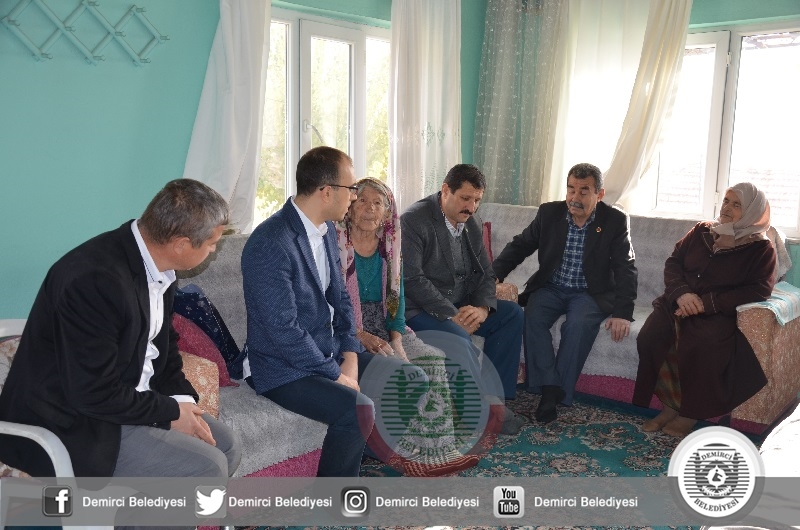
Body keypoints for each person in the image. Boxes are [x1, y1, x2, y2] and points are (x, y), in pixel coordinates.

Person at [0, 179, 241, 481]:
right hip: (76, 421)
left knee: (228, 446)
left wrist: (181, 402)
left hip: (127, 402)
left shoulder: (159, 267)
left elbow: (164, 347)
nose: (214, 250)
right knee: (206, 466)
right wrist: (168, 412)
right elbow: (92, 393)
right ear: (181, 244)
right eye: (211, 244)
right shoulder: (93, 281)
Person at [240, 146, 425, 477]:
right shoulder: (270, 242)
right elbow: (283, 330)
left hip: (327, 350)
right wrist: (336, 375)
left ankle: (363, 451)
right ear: (326, 192)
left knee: (411, 378)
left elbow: (341, 300)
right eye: (351, 189)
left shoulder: (325, 231)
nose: (354, 197)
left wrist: (350, 356)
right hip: (283, 367)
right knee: (358, 409)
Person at [337, 177, 481, 474]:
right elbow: (332, 305)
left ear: (386, 213)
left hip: (387, 325)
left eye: (377, 203)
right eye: (362, 200)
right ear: (349, 206)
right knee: (405, 373)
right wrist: (359, 334)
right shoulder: (336, 245)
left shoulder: (390, 246)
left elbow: (397, 299)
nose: (369, 208)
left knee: (433, 359)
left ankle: (441, 449)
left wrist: (398, 340)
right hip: (350, 328)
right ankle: (411, 455)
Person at [492, 162, 637, 424]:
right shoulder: (549, 213)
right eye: (571, 189)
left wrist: (623, 312)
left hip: (590, 293)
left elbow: (625, 267)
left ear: (599, 194)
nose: (574, 197)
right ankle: (550, 387)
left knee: (578, 324)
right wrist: (494, 275)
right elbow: (521, 245)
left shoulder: (614, 221)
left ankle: (555, 393)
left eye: (584, 191)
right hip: (551, 287)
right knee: (532, 317)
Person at [633, 182, 776, 437]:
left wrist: (708, 303)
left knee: (701, 344)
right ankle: (669, 407)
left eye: (736, 204)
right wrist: (682, 294)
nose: (727, 208)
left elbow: (759, 289)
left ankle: (690, 413)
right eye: (726, 201)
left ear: (752, 211)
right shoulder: (702, 231)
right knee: (650, 337)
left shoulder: (760, 249)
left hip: (716, 313)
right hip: (676, 302)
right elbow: (673, 262)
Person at [401, 163, 526, 435]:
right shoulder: (413, 220)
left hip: (461, 303)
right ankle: (476, 415)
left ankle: (496, 401)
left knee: (512, 315)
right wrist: (451, 314)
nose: (471, 207)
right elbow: (412, 279)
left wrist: (482, 308)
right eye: (465, 198)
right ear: (446, 190)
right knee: (457, 338)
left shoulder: (472, 222)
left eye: (477, 200)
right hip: (420, 310)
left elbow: (486, 273)